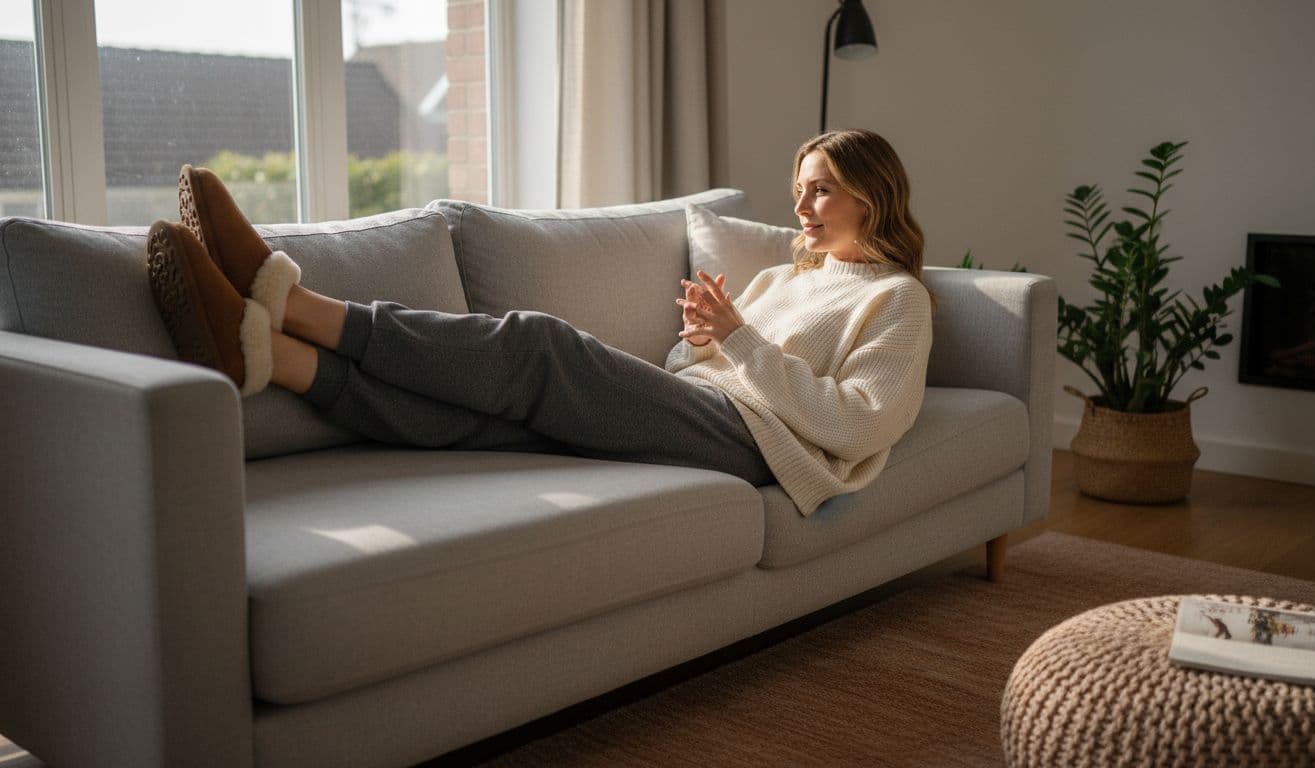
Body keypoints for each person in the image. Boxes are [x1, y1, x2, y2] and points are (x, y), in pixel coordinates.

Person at [147, 128, 933, 516]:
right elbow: (691, 370)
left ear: (872, 195)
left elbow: (856, 426)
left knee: (539, 346)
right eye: (800, 188)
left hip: (765, 447)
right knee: (482, 420)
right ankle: (271, 358)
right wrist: (698, 343)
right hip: (709, 410)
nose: (800, 206)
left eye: (822, 189)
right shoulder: (779, 275)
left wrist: (738, 342)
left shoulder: (896, 300)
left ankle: (292, 302)